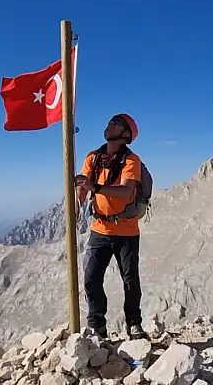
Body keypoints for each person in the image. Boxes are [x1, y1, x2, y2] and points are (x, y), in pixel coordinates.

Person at [74, 113, 147, 340]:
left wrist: (94, 187)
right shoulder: (93, 158)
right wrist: (78, 199)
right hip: (100, 229)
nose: (108, 126)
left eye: (114, 124)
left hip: (126, 230)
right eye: (109, 122)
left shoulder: (131, 161)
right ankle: (97, 326)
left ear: (125, 134)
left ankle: (134, 324)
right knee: (91, 277)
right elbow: (83, 189)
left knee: (130, 279)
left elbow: (125, 191)